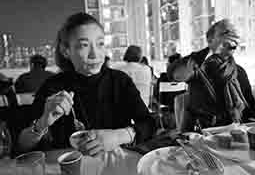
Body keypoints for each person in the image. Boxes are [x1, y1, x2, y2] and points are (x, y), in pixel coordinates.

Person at [17, 13, 155, 155]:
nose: (95, 54)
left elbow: (149, 124)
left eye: (100, 44)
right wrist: (43, 122)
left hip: (116, 162)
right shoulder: (53, 86)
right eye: (84, 45)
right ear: (66, 51)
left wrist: (118, 136)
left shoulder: (120, 80)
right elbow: (22, 145)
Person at [168, 19, 255, 129]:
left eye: (234, 34)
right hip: (204, 133)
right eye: (226, 33)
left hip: (235, 132)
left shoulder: (239, 72)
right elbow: (174, 73)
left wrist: (251, 130)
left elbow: (251, 108)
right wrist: (212, 49)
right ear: (210, 40)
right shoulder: (198, 66)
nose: (231, 37)